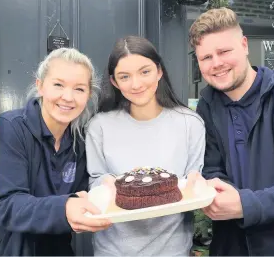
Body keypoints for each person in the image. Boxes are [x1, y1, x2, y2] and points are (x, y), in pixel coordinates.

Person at [189, 7, 274, 256]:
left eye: (224, 51)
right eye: (206, 57)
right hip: (229, 246)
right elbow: (212, 168)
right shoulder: (207, 106)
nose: (216, 63)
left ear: (244, 45)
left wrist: (245, 204)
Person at [86, 36, 206, 256]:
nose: (137, 84)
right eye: (125, 76)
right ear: (114, 82)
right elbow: (96, 179)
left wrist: (196, 183)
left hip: (173, 250)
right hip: (113, 250)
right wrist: (105, 183)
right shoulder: (99, 126)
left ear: (159, 71)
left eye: (145, 72)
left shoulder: (191, 124)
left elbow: (192, 180)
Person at [0, 47, 112, 256]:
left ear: (88, 95)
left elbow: (83, 195)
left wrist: (107, 189)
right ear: (40, 86)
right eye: (58, 85)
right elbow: (6, 204)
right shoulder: (11, 128)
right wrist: (64, 208)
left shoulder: (80, 142)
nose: (68, 97)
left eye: (79, 89)